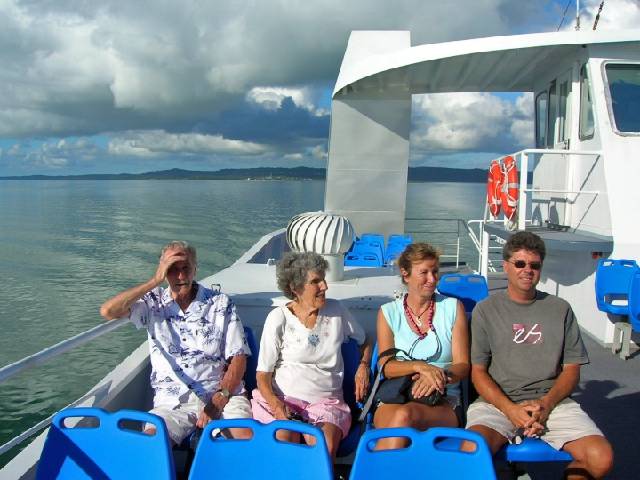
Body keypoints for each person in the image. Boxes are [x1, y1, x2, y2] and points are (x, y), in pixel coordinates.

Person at [465, 231, 613, 479]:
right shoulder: (485, 310)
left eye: (534, 265)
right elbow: (478, 372)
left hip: (552, 403)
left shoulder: (560, 309)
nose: (527, 270)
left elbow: (572, 369)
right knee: (470, 452)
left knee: (600, 457)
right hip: (498, 403)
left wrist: (546, 404)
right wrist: (510, 409)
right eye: (520, 263)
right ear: (506, 266)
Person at [100, 241, 252, 444]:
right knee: (150, 444)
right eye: (172, 269)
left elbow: (239, 357)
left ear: (195, 268)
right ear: (163, 271)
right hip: (172, 402)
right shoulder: (152, 303)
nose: (180, 276)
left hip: (222, 394)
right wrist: (154, 280)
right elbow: (108, 311)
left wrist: (220, 397)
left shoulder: (220, 303)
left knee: (244, 441)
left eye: (185, 268)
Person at [251, 252, 372, 459]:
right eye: (316, 282)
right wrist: (277, 405)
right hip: (284, 400)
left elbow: (365, 340)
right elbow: (263, 375)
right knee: (284, 442)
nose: (324, 286)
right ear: (295, 288)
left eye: (323, 279)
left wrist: (364, 366)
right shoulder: (278, 318)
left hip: (326, 403)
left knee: (323, 448)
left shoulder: (337, 311)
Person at [374, 243, 469, 449]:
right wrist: (421, 367)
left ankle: (372, 466)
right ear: (405, 274)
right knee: (403, 416)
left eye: (435, 272)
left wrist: (437, 377)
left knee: (405, 417)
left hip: (443, 399)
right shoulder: (388, 313)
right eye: (424, 272)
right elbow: (386, 366)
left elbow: (463, 365)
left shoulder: (452, 308)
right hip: (397, 396)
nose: (432, 279)